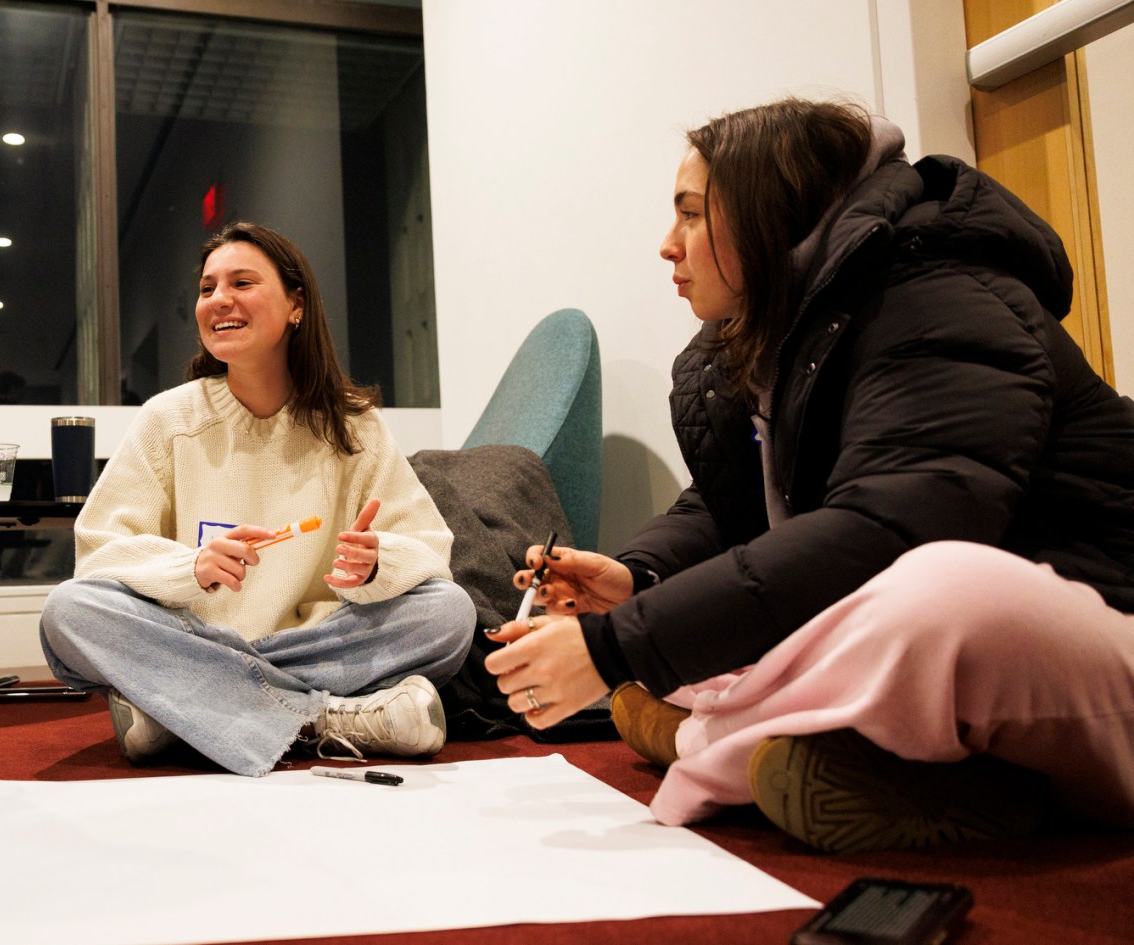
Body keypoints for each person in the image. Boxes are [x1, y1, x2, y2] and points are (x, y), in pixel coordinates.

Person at [484, 98, 1134, 853]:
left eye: (691, 214)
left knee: (941, 592)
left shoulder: (940, 300)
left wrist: (614, 648)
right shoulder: (786, 335)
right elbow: (733, 507)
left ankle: (718, 732)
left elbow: (882, 534)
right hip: (995, 672)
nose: (668, 245)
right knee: (740, 619)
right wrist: (638, 576)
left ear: (769, 215)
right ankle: (813, 746)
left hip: (1106, 632)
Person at [40, 221, 475, 777]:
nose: (218, 299)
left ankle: (183, 712)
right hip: (194, 635)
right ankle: (328, 718)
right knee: (69, 613)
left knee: (448, 613)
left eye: (241, 283)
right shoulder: (168, 419)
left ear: (297, 305)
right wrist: (189, 567)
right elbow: (99, 552)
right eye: (206, 288)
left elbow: (430, 550)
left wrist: (378, 564)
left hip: (312, 638)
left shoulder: (354, 426)